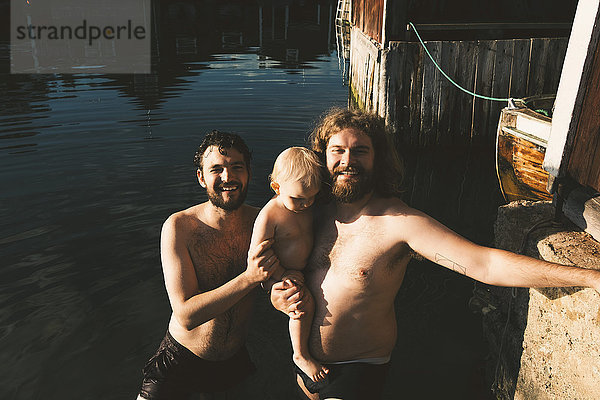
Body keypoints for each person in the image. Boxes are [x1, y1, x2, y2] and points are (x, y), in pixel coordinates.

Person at [270, 108, 600, 400]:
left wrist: (588, 276)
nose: (347, 160)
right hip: (305, 368)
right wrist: (276, 296)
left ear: (377, 159)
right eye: (337, 151)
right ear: (322, 157)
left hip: (357, 372)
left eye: (360, 151)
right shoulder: (308, 213)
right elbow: (273, 271)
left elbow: (483, 264)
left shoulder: (400, 222)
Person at [137, 130, 280, 400]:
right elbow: (186, 315)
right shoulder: (180, 227)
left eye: (237, 167)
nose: (228, 178)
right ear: (201, 178)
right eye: (216, 169)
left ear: (249, 172)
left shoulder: (262, 224)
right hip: (181, 361)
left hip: (233, 363)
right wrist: (249, 278)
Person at [249, 147, 329, 390]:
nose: (306, 204)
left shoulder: (304, 204)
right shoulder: (270, 215)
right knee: (301, 305)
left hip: (301, 270)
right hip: (278, 274)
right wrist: (281, 274)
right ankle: (300, 355)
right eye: (298, 199)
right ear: (276, 187)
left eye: (312, 197)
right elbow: (256, 255)